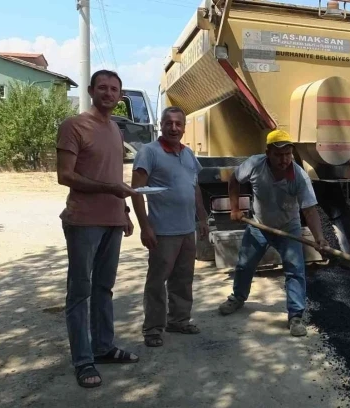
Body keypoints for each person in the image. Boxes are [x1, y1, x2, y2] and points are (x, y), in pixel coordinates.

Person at [56, 70, 140, 389]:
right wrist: (109, 189)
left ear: (120, 96)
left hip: (113, 221)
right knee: (80, 291)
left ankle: (103, 348)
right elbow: (65, 175)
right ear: (91, 90)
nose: (108, 93)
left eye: (114, 89)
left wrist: (125, 212)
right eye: (102, 87)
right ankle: (83, 360)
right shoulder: (74, 126)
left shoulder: (115, 129)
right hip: (83, 221)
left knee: (104, 288)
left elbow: (114, 176)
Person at [218, 129, 328, 337]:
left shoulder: (299, 177)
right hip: (259, 225)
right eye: (278, 155)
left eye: (287, 154)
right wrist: (234, 208)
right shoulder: (255, 165)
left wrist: (319, 238)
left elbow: (310, 210)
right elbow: (234, 180)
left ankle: (295, 316)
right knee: (244, 265)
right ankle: (238, 298)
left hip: (289, 228)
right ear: (268, 152)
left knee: (295, 270)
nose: (284, 159)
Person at [130, 106, 210, 348]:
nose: (174, 128)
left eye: (178, 124)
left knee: (183, 279)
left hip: (187, 229)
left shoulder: (188, 154)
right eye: (169, 123)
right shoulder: (149, 153)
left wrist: (203, 217)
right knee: (157, 282)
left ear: (184, 128)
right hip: (163, 231)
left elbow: (194, 187)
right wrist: (145, 227)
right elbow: (136, 191)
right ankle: (153, 328)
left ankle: (179, 320)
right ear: (161, 126)